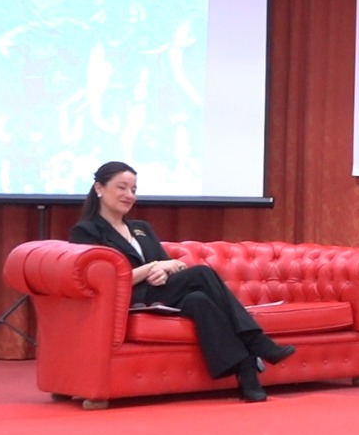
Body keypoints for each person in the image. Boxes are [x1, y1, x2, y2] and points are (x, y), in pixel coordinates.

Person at [69, 161, 295, 402]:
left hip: (159, 293)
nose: (129, 195)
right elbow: (107, 280)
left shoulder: (141, 228)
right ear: (99, 188)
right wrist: (152, 268)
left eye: (133, 190)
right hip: (128, 300)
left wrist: (164, 271)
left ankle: (246, 371)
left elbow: (169, 265)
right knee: (202, 274)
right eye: (121, 188)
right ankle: (255, 340)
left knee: (198, 300)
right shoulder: (86, 232)